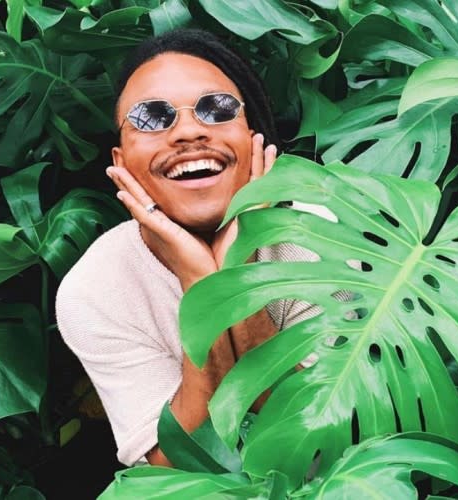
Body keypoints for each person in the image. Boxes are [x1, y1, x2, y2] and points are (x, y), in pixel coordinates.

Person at [55, 29, 317, 467]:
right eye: (152, 118)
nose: (189, 132)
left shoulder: (320, 238)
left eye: (217, 109)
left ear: (254, 137)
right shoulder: (95, 290)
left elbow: (318, 442)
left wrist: (239, 266)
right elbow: (175, 471)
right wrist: (202, 287)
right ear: (120, 163)